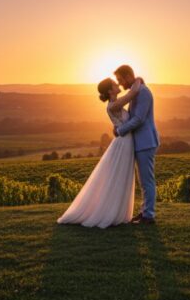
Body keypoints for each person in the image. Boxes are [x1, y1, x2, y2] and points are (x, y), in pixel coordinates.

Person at [56, 75, 143, 228]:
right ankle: (110, 212)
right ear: (110, 91)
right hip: (123, 143)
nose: (118, 84)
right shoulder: (113, 105)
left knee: (122, 176)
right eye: (114, 83)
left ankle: (117, 212)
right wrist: (139, 79)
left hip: (125, 141)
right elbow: (132, 94)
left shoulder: (114, 103)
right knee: (119, 175)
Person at [113, 64, 160, 224]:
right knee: (143, 181)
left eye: (120, 80)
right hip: (141, 142)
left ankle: (149, 215)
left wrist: (120, 131)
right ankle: (144, 212)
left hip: (146, 142)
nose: (119, 84)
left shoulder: (143, 93)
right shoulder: (136, 91)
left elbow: (138, 119)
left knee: (147, 180)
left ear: (127, 76)